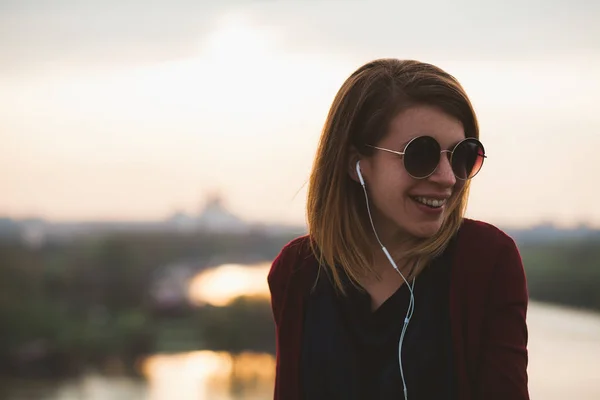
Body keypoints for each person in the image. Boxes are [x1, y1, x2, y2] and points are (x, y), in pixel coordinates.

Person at [267, 58, 529, 400]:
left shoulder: (487, 260)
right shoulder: (297, 271)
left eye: (462, 155)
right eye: (421, 155)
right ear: (356, 164)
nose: (449, 178)